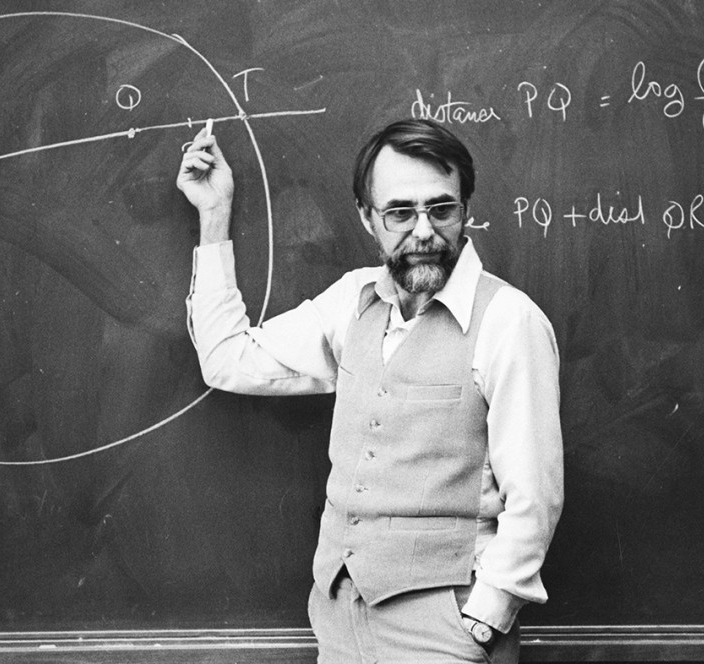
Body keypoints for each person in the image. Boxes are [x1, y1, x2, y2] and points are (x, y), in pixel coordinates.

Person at [177, 118, 563, 663]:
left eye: (442, 208)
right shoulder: (351, 301)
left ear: (466, 209)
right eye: (400, 213)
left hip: (446, 631)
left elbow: (536, 498)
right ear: (367, 218)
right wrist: (214, 216)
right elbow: (227, 360)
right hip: (339, 620)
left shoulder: (509, 321)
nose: (424, 230)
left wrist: (482, 620)